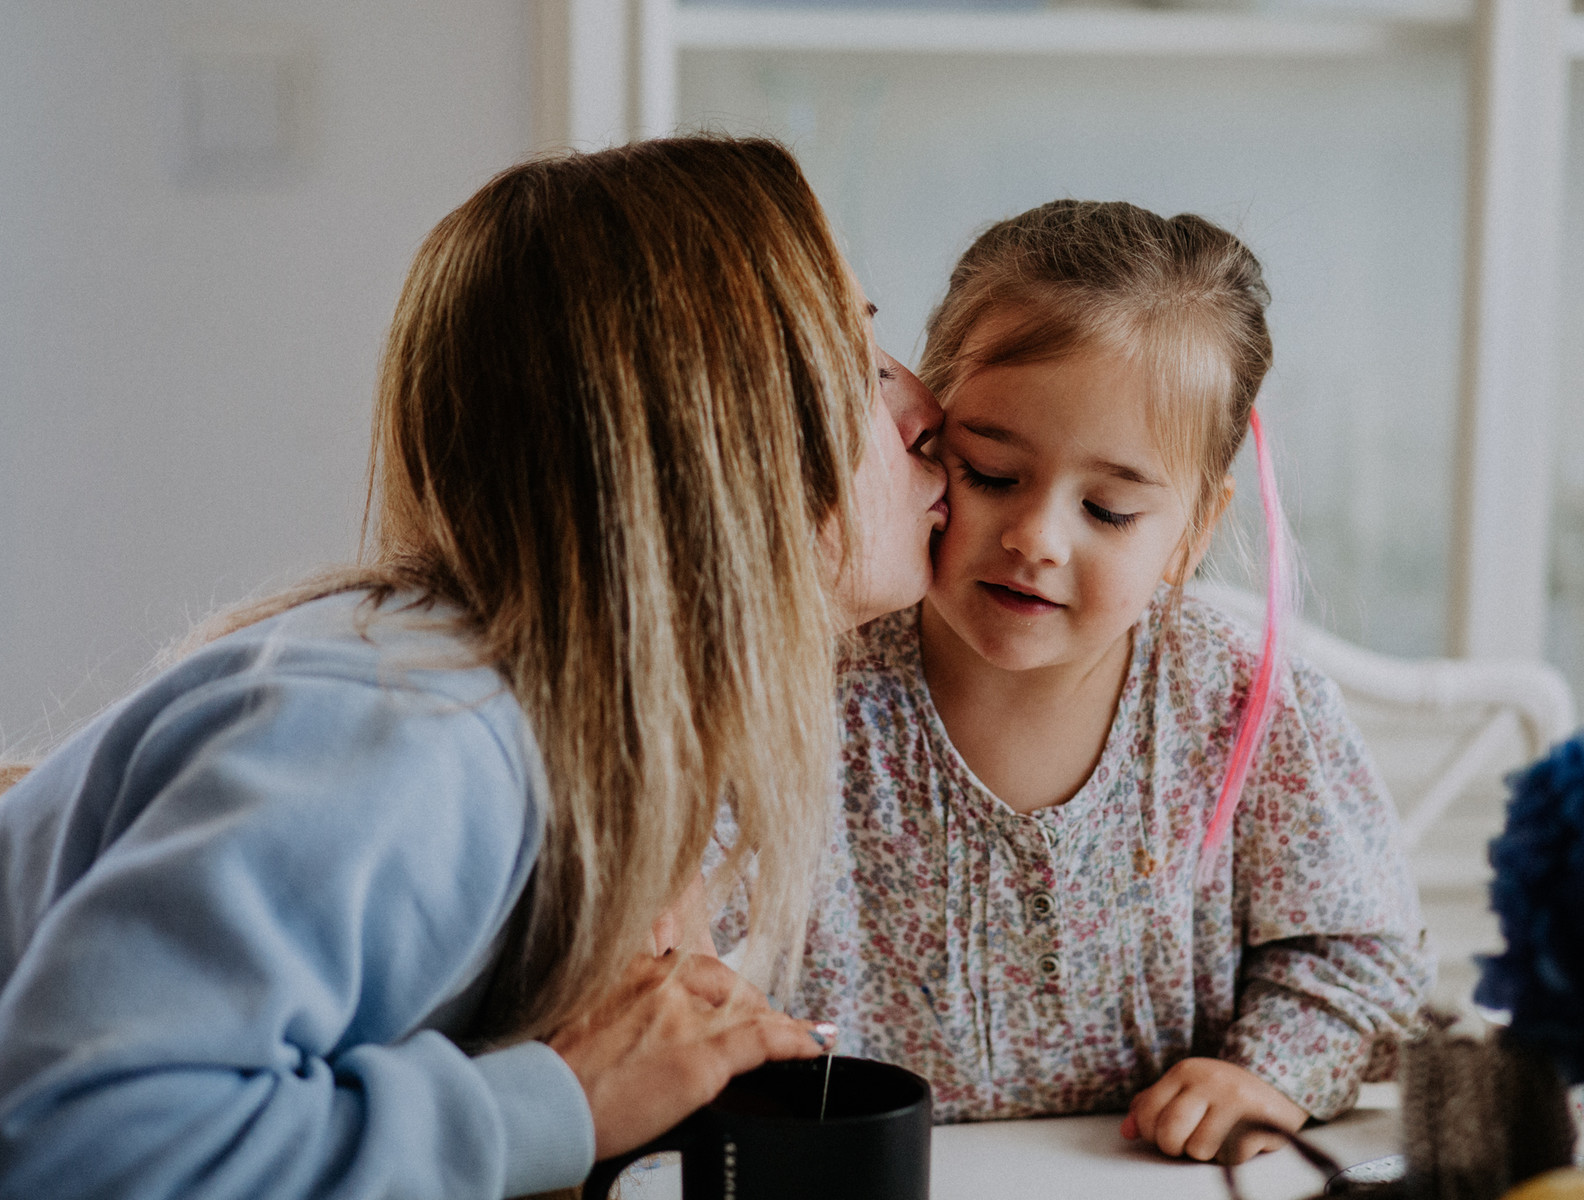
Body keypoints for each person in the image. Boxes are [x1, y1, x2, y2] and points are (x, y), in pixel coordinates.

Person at [0, 137, 947, 1200]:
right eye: (861, 362)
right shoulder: (425, 733)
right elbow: (71, 1145)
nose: (928, 414)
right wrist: (562, 1102)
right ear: (727, 434)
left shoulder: (583, 745)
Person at [716, 199, 1432, 1165]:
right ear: (924, 444)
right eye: (991, 474)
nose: (1037, 540)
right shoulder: (804, 686)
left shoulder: (1238, 704)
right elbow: (683, 965)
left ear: (1193, 531)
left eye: (1108, 508)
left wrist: (1266, 1073)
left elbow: (1365, 957)